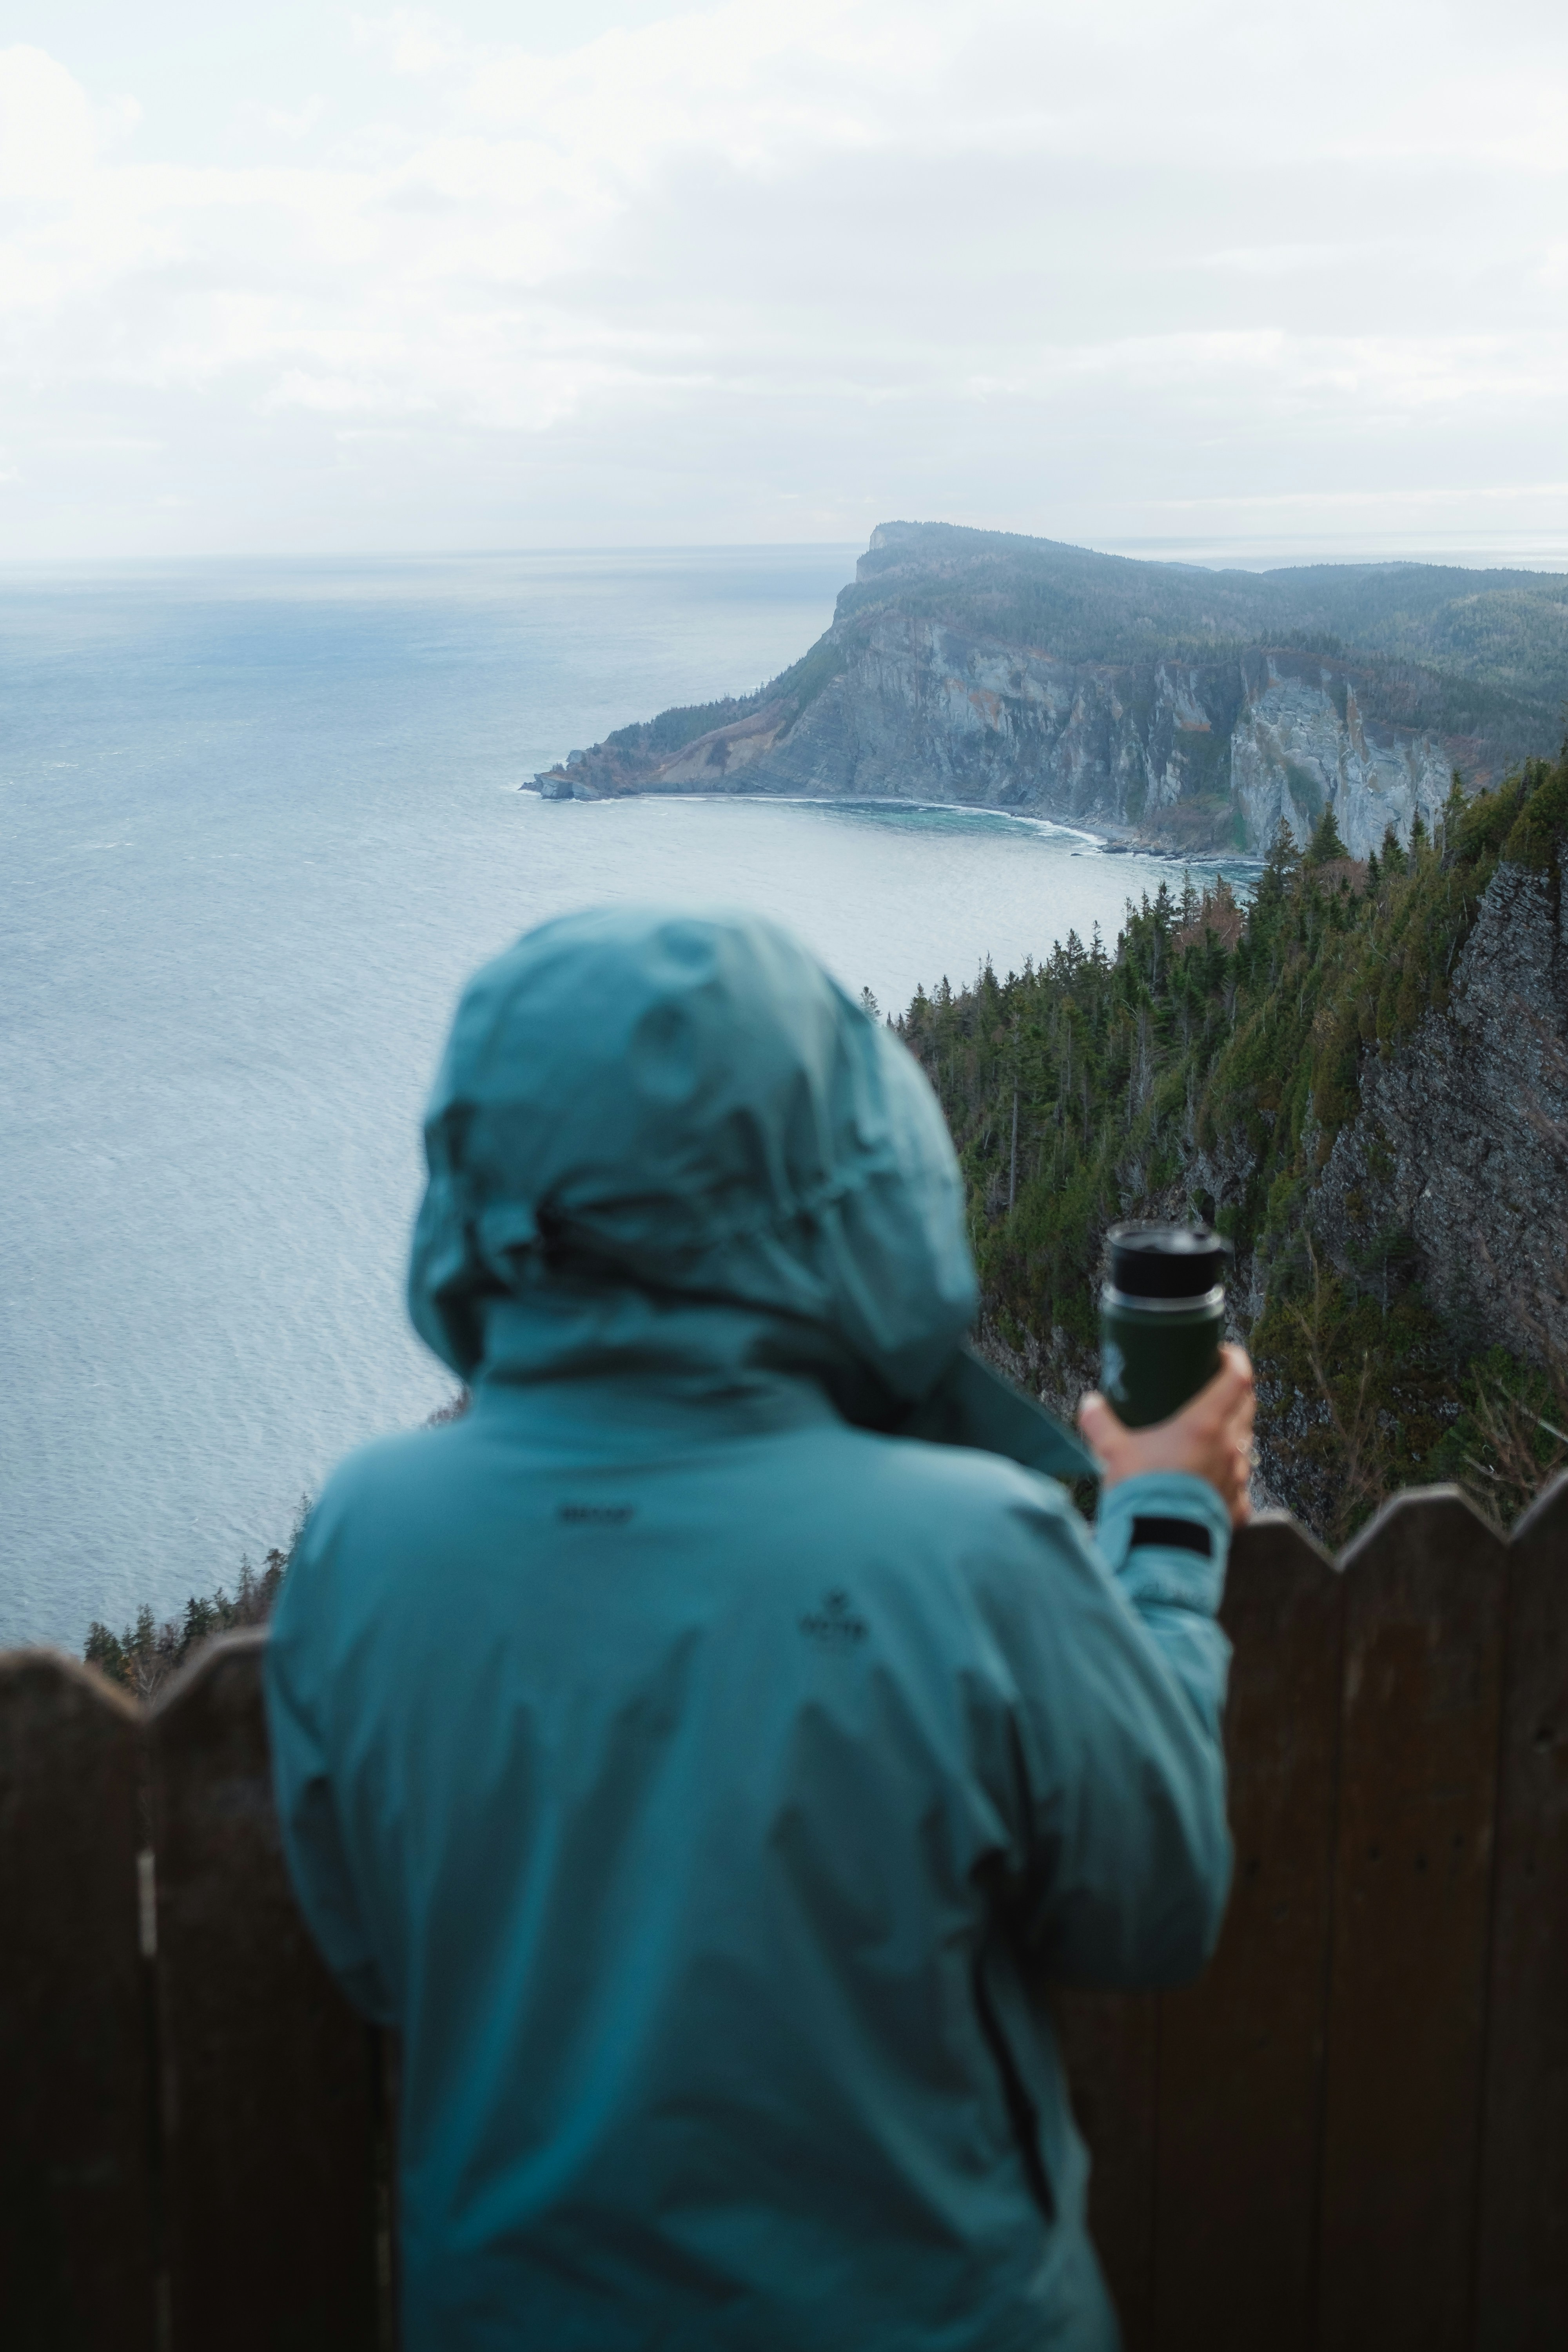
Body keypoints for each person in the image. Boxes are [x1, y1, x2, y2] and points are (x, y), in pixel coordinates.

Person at [265, 907, 1254, 2352]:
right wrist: (1167, 1529)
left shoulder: (365, 1539)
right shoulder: (970, 1547)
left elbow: (366, 1950)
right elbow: (1155, 1903)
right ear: (843, 1170)